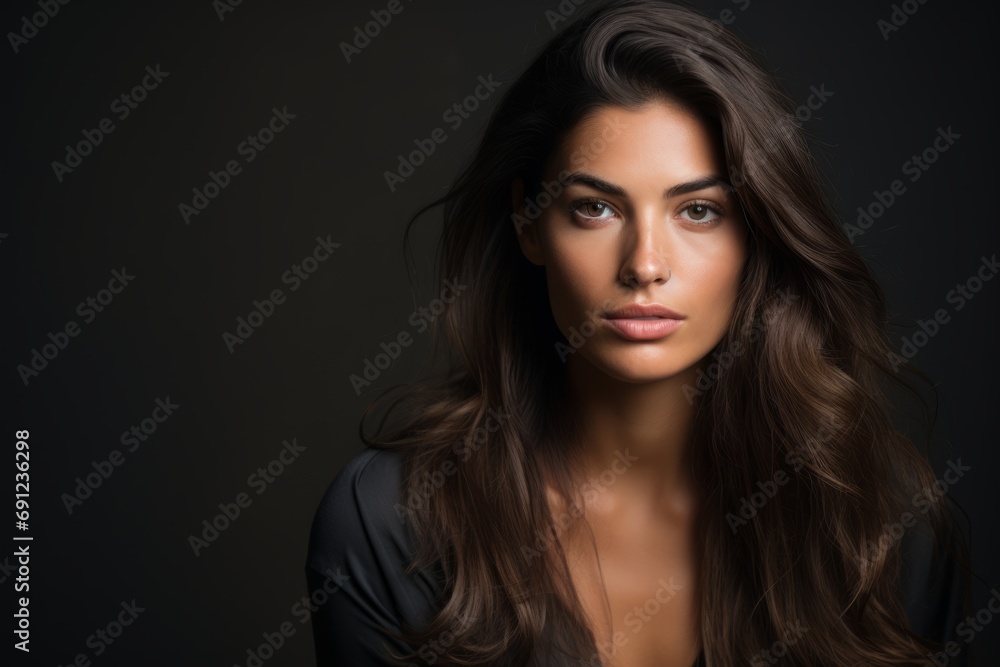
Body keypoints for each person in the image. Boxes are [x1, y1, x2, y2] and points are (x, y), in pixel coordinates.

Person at [306, 1, 971, 664]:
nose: (644, 264)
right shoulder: (395, 520)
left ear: (758, 233)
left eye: (700, 211)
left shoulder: (870, 514)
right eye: (594, 207)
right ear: (530, 222)